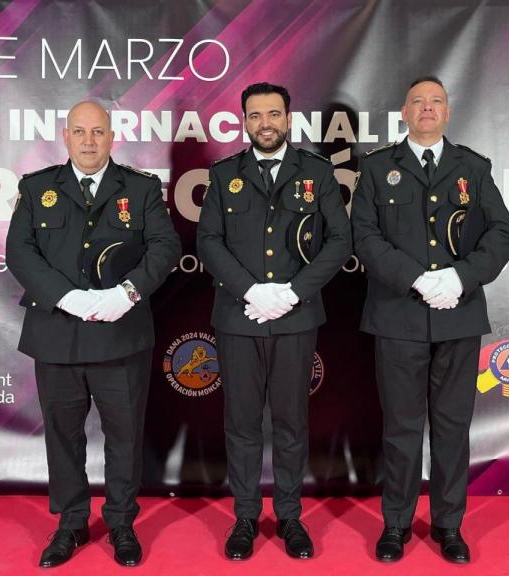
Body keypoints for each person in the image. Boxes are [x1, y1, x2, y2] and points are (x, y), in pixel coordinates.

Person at [6, 100, 181, 568]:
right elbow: (20, 253)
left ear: (112, 136)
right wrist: (66, 297)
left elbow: (166, 246)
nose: (88, 141)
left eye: (98, 132)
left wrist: (127, 293)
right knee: (63, 436)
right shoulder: (38, 187)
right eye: (80, 132)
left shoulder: (140, 189)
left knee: (124, 434)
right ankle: (71, 523)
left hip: (120, 334)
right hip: (57, 332)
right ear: (66, 137)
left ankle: (122, 523)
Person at [350, 76, 509, 564]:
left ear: (448, 112)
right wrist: (417, 280)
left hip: (458, 317)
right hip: (398, 315)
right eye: (418, 102)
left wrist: (461, 278)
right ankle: (396, 525)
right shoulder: (378, 168)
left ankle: (449, 525)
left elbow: (503, 233)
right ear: (403, 113)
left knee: (451, 428)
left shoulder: (473, 167)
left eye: (436, 102)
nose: (427, 109)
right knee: (400, 429)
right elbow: (365, 236)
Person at [197, 82, 352, 560]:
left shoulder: (317, 173)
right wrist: (251, 290)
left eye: (274, 114)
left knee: (290, 421)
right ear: (245, 121)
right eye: (255, 115)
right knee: (241, 422)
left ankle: (289, 515)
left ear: (289, 119)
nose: (265, 123)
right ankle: (245, 516)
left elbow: (338, 241)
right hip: (238, 316)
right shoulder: (226, 175)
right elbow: (209, 241)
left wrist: (290, 292)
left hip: (295, 316)